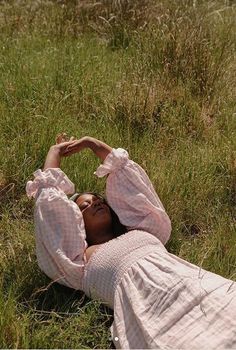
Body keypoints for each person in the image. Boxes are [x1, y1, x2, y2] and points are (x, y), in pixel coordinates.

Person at [26, 135, 236, 349]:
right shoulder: (78, 261)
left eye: (98, 200)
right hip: (151, 313)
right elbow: (50, 206)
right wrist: (54, 152)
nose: (95, 203)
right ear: (75, 222)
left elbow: (126, 173)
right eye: (84, 206)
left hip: (192, 287)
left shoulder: (143, 229)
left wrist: (92, 143)